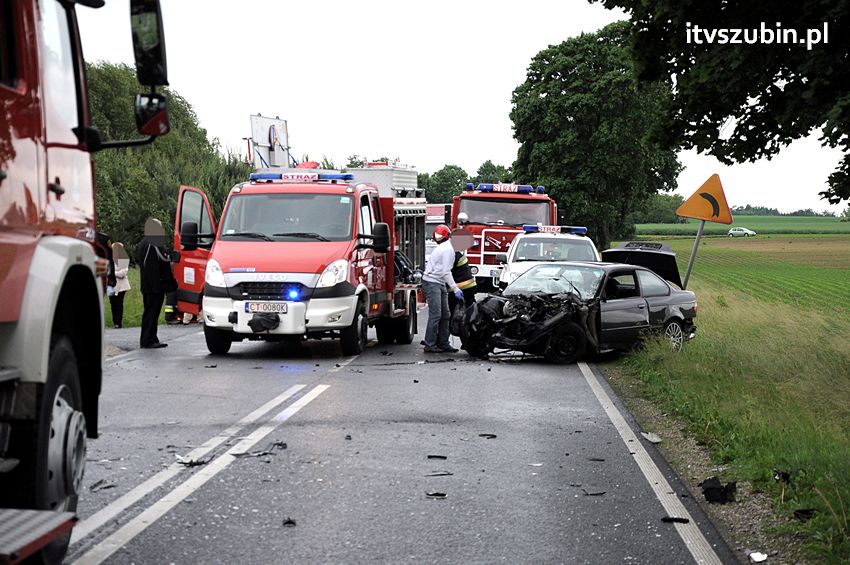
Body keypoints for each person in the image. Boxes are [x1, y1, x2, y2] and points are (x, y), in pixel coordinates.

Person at [421, 225, 463, 353]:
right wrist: (455, 289)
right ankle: (430, 344)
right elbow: (446, 272)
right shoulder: (448, 250)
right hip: (433, 282)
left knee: (445, 315)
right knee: (437, 315)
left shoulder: (446, 248)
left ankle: (443, 343)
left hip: (438, 282)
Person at [138, 218, 176, 348]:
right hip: (152, 287)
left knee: (152, 313)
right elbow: (149, 265)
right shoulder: (150, 243)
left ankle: (152, 338)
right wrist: (156, 286)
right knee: (150, 313)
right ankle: (147, 340)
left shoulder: (150, 242)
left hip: (153, 286)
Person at [110, 242, 131, 328]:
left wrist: (112, 273)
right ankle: (115, 322)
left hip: (121, 286)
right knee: (112, 304)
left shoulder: (123, 259)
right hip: (111, 285)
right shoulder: (110, 259)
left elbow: (123, 273)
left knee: (118, 303)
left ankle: (118, 322)